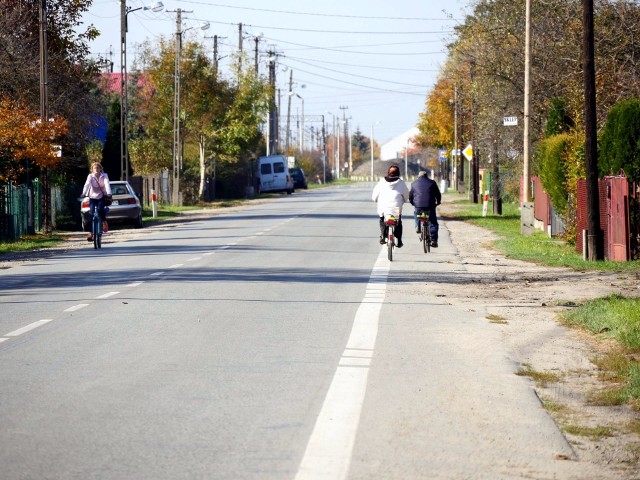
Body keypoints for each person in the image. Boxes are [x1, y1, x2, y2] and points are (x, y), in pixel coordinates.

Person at [372, 164, 409, 248]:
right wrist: (404, 200)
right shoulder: (401, 183)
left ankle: (382, 236)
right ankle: (399, 240)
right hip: (396, 209)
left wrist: (376, 200)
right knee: (398, 223)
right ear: (398, 173)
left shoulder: (381, 182)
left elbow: (374, 196)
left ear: (388, 172)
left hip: (384, 209)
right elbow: (406, 196)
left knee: (382, 220)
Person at [409, 169, 441, 247]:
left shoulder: (414, 183)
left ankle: (418, 225)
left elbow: (411, 196)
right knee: (433, 222)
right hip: (430, 205)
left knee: (417, 213)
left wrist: (412, 202)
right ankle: (433, 240)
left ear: (418, 176)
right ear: (426, 176)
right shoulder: (432, 183)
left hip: (418, 205)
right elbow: (438, 194)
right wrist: (438, 201)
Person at [81, 162, 112, 242]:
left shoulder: (104, 175)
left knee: (99, 210)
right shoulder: (90, 176)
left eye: (98, 168)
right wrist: (84, 193)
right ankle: (91, 233)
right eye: (95, 168)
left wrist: (109, 193)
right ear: (92, 169)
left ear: (100, 169)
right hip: (92, 197)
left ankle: (104, 222)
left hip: (102, 196)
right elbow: (87, 184)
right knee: (91, 213)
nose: (96, 169)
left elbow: (107, 184)